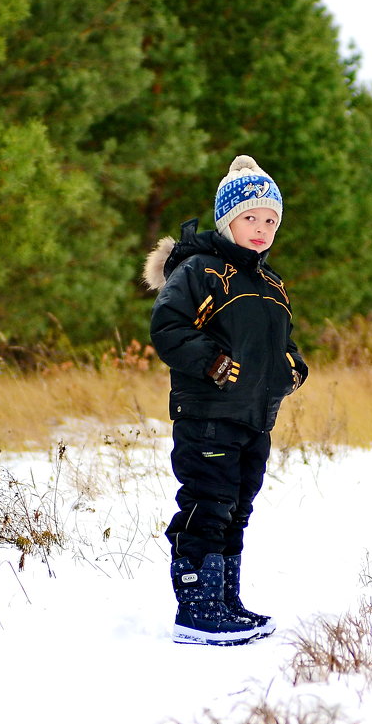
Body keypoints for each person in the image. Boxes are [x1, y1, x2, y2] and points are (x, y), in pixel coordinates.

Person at [143, 154, 308, 646]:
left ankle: (224, 600)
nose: (261, 228)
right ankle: (196, 609)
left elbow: (285, 343)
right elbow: (167, 327)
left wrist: (293, 369)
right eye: (251, 217)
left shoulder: (271, 283)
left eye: (271, 220)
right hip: (208, 415)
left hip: (255, 419)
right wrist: (211, 362)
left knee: (237, 507)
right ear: (228, 218)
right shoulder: (202, 271)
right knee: (208, 504)